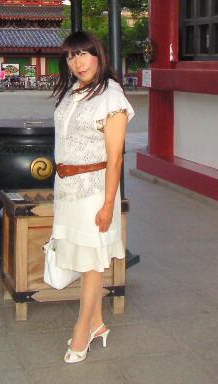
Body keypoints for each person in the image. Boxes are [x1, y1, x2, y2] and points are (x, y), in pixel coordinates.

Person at [51, 31, 134, 364]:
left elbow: (115, 159)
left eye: (84, 54)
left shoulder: (111, 97)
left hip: (94, 192)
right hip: (67, 189)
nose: (78, 62)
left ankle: (82, 331)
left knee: (91, 264)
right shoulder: (73, 92)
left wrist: (109, 205)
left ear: (98, 55)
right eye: (71, 56)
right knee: (87, 261)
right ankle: (98, 324)